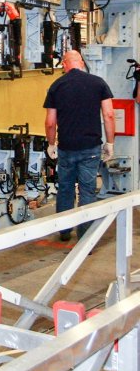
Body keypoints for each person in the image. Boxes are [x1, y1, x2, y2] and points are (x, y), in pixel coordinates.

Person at [43, 50, 114, 241]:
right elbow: (108, 115)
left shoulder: (56, 86)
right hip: (91, 147)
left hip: (66, 147)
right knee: (87, 189)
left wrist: (51, 144)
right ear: (81, 63)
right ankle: (85, 234)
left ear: (65, 65)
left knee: (65, 188)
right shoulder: (98, 83)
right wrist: (110, 142)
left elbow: (50, 122)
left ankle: (64, 231)